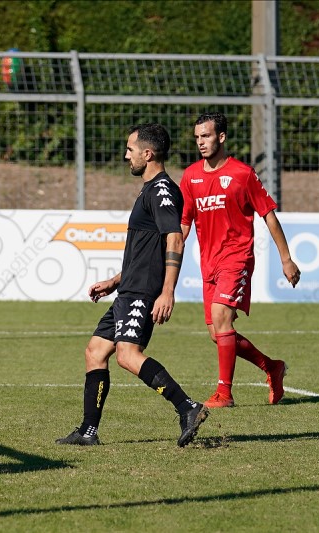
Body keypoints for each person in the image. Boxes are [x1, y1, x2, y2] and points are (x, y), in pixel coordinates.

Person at [57, 123, 209, 448]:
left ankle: (188, 407)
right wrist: (115, 281)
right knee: (95, 351)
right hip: (129, 288)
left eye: (130, 149)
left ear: (147, 153)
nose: (127, 155)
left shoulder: (162, 190)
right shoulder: (149, 189)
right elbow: (144, 251)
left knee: (128, 355)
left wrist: (167, 291)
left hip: (143, 290)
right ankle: (87, 431)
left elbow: (175, 239)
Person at [180, 112, 300, 408]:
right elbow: (183, 224)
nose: (200, 142)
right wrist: (166, 257)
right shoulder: (190, 176)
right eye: (197, 137)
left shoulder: (242, 174)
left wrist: (286, 259)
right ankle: (272, 367)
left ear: (221, 137)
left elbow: (269, 216)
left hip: (237, 258)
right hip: (208, 263)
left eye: (206, 136)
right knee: (217, 333)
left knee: (222, 318)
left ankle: (224, 393)